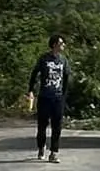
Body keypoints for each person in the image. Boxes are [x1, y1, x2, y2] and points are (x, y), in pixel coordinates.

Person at [27, 34, 71, 163]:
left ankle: (54, 153)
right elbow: (35, 74)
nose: (63, 45)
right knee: (42, 125)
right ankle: (41, 147)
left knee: (57, 126)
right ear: (54, 44)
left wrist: (64, 95)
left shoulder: (63, 60)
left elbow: (66, 77)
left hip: (58, 97)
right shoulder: (44, 59)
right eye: (61, 43)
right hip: (45, 96)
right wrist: (31, 90)